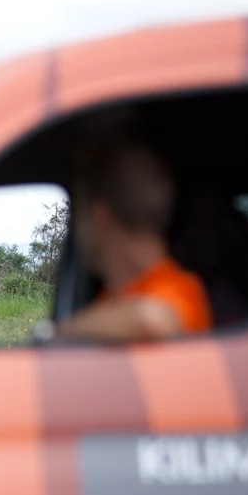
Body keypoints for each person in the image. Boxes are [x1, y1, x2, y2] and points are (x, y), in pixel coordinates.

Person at [53, 135, 213, 343]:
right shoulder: (113, 297)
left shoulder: (179, 289)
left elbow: (153, 321)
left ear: (100, 219)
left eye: (79, 217)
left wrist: (56, 335)